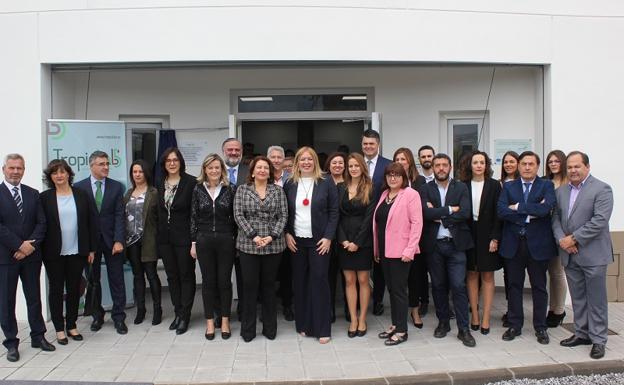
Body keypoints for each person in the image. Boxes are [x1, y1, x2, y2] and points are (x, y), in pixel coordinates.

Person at [553, 151, 613, 360]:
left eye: (577, 166)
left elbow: (600, 220)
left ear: (587, 167)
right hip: (570, 254)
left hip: (593, 254)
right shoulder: (561, 191)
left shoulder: (602, 189)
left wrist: (574, 239)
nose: (573, 170)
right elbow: (556, 219)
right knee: (578, 297)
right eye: (569, 167)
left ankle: (598, 339)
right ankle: (582, 333)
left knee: (596, 299)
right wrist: (563, 240)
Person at [497, 151, 557, 345]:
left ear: (537, 166)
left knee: (539, 287)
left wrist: (517, 207)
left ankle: (540, 327)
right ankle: (515, 324)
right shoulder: (508, 186)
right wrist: (531, 210)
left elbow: (546, 209)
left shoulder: (546, 185)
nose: (527, 167)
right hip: (513, 244)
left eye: (531, 164)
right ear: (519, 166)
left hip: (538, 245)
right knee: (514, 286)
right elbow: (502, 211)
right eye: (524, 164)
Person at [0, 154, 53, 362]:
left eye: (19, 168)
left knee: (34, 298)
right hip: (6, 257)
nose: (15, 172)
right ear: (4, 169)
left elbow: (42, 224)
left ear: (24, 170)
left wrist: (28, 247)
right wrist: (19, 244)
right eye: (12, 168)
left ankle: (38, 336)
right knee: (7, 301)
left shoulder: (33, 194)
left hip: (31, 256)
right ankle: (11, 343)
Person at [419, 153, 476, 347]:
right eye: (438, 165)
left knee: (458, 286)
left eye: (444, 165)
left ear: (450, 167)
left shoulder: (460, 187)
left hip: (456, 245)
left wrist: (440, 215)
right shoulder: (425, 189)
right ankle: (443, 323)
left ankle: (463, 329)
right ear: (433, 168)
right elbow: (425, 213)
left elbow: (466, 212)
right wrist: (451, 210)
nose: (441, 168)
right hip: (434, 246)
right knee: (438, 285)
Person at [284, 146, 338, 344]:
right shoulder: (290, 183)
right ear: (297, 162)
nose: (306, 162)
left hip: (319, 242)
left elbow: (334, 212)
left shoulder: (326, 182)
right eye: (302, 159)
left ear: (315, 161)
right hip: (296, 241)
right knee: (300, 283)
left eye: (310, 159)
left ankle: (323, 328)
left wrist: (328, 237)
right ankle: (304, 324)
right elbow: (285, 213)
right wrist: (286, 233)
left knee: (319, 282)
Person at [41, 159, 96, 345]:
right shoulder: (45, 198)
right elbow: (42, 225)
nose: (59, 175)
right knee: (56, 290)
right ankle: (58, 329)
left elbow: (91, 223)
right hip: (53, 253)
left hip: (77, 251)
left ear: (68, 174)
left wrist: (91, 249)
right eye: (55, 172)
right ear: (50, 177)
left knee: (74, 289)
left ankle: (72, 325)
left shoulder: (81, 195)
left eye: (62, 172)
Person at [234, 156, 288, 342]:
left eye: (266, 167)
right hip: (249, 245)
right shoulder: (242, 190)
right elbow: (238, 215)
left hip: (273, 245)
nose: (263, 170)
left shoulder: (278, 191)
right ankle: (248, 331)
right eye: (259, 167)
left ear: (270, 172)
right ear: (252, 171)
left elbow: (283, 216)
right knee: (250, 287)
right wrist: (254, 236)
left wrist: (272, 236)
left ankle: (270, 328)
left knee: (269, 287)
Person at [75, 151, 127, 334]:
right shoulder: (79, 187)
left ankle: (119, 317)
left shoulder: (116, 187)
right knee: (93, 280)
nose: (105, 167)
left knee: (117, 279)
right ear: (91, 166)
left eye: (107, 163)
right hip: (91, 244)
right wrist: (87, 246)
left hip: (112, 241)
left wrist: (119, 240)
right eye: (101, 164)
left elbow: (120, 215)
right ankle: (97, 316)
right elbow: (81, 219)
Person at [373, 163, 423, 346]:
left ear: (403, 177)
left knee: (400, 291)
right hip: (385, 251)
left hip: (402, 252)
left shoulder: (411, 194)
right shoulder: (385, 194)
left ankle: (402, 331)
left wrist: (410, 250)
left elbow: (417, 224)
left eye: (396, 175)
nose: (392, 178)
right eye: (389, 175)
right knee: (392, 290)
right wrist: (377, 250)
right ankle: (395, 324)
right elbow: (379, 224)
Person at [190, 154, 236, 340]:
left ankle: (225, 320)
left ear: (222, 169)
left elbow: (235, 217)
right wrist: (193, 243)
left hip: (226, 239)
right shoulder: (197, 190)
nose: (214, 171)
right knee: (208, 283)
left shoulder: (230, 189)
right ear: (205, 170)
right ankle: (210, 321)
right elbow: (193, 217)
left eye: (217, 167)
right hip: (204, 239)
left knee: (224, 282)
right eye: (210, 168)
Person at [458, 151, 502, 335]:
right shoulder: (462, 185)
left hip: (487, 234)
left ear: (486, 165)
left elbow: (499, 213)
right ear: (470, 165)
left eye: (482, 162)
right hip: (469, 233)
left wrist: (495, 237)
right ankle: (474, 315)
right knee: (471, 275)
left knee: (487, 276)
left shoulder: (494, 185)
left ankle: (485, 318)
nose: (478, 165)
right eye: (475, 162)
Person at [156, 147, 196, 335]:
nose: (172, 163)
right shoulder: (159, 182)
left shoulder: (191, 182)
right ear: (164, 164)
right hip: (165, 239)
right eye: (168, 160)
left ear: (180, 162)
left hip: (184, 238)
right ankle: (178, 312)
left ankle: (185, 315)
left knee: (186, 275)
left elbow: (194, 215)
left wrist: (193, 240)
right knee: (171, 276)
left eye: (175, 160)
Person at [337, 153, 375, 337]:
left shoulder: (370, 187)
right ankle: (353, 318)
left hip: (364, 242)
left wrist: (357, 242)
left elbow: (369, 219)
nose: (353, 169)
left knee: (363, 280)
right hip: (344, 241)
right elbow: (336, 216)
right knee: (349, 281)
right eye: (350, 166)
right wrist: (343, 240)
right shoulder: (340, 188)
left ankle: (362, 319)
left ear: (362, 167)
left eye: (356, 166)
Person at [123, 160, 162, 326]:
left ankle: (157, 309)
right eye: (134, 172)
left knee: (152, 275)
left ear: (146, 173)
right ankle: (141, 309)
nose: (137, 175)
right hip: (131, 242)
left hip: (149, 240)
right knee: (137, 276)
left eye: (140, 171)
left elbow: (159, 219)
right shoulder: (128, 193)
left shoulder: (154, 192)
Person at [394, 147, 427, 326]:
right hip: (396, 239)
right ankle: (397, 315)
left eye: (404, 159)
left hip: (414, 238)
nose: (400, 162)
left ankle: (415, 310)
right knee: (398, 280)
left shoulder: (420, 182)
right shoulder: (390, 182)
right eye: (397, 159)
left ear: (410, 162)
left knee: (415, 276)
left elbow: (422, 210)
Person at [362, 129, 392, 316]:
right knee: (360, 266)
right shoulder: (355, 163)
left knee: (379, 264)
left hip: (381, 222)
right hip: (358, 222)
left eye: (371, 144)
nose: (368, 147)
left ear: (378, 145)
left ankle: (378, 300)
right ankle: (360, 301)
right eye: (365, 143)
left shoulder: (388, 165)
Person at [222, 138, 248, 322]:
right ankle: (222, 312)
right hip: (221, 233)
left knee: (244, 276)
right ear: (224, 151)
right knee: (221, 277)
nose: (233, 153)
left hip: (245, 233)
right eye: (230, 149)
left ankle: (244, 310)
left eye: (236, 150)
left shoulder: (249, 172)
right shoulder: (215, 171)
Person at [267, 146, 294, 322]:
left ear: (284, 160)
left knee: (288, 272)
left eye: (279, 157)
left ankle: (288, 305)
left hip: (289, 232)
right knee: (268, 274)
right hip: (268, 233)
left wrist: (287, 231)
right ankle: (267, 309)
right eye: (273, 157)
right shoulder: (263, 176)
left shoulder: (292, 179)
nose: (276, 160)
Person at [544, 149, 568, 328]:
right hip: (545, 232)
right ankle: (551, 308)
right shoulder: (545, 182)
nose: (553, 164)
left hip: (563, 234)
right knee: (550, 273)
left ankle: (558, 309)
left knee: (558, 273)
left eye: (556, 161)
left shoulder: (569, 183)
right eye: (550, 161)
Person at [325, 151, 348, 322]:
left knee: (349, 276)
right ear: (329, 165)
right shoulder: (323, 182)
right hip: (329, 236)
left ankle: (350, 309)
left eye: (341, 163)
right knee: (329, 276)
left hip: (348, 235)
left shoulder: (350, 182)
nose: (338, 165)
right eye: (334, 163)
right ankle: (329, 310)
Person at [499, 150, 519, 327]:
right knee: (508, 275)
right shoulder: (499, 184)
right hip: (503, 234)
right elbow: (501, 210)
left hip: (519, 233)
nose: (509, 165)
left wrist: (516, 207)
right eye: (506, 162)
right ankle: (511, 309)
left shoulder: (523, 184)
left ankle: (513, 311)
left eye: (512, 161)